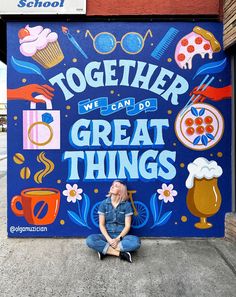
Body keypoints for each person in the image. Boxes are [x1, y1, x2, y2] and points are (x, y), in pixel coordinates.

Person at [86, 180, 141, 263]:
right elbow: (101, 225)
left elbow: (127, 226)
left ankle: (105, 251)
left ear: (121, 192)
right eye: (112, 185)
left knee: (136, 242)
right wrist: (109, 239)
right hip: (106, 236)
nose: (112, 186)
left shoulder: (127, 205)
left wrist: (117, 239)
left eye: (116, 186)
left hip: (121, 236)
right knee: (90, 240)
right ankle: (120, 254)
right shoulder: (103, 204)